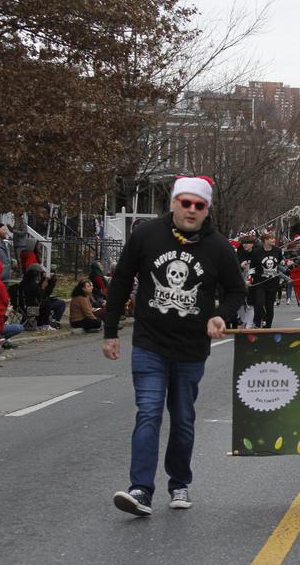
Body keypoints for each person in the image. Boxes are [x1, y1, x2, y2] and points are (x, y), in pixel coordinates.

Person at [102, 176, 246, 517]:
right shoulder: (146, 235)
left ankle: (179, 481)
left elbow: (237, 291)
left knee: (182, 418)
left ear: (207, 208)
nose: (192, 210)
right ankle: (141, 489)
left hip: (191, 348)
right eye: (186, 203)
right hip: (150, 343)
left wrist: (221, 315)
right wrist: (110, 331)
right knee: (149, 413)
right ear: (173, 203)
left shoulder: (219, 247)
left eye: (199, 205)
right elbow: (122, 280)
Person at [256, 232, 284, 327]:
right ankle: (257, 323)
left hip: (273, 282)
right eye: (271, 238)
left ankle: (268, 327)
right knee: (259, 303)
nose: (273, 240)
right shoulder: (257, 251)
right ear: (265, 240)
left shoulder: (277, 250)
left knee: (269, 306)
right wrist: (251, 278)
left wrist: (286, 264)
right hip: (260, 282)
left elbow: (279, 262)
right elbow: (252, 267)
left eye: (273, 238)